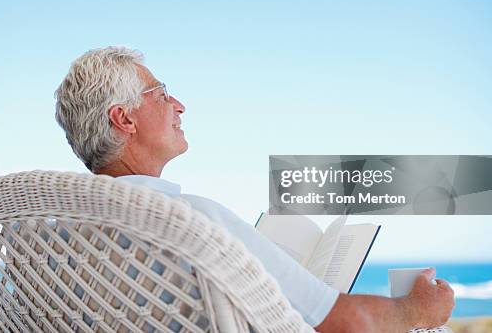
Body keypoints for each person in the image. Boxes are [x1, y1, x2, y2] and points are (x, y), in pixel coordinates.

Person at [54, 46, 455, 333]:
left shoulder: (49, 235)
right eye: (160, 94)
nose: (179, 105)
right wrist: (417, 309)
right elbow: (343, 322)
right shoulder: (189, 221)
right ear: (124, 119)